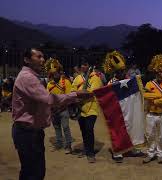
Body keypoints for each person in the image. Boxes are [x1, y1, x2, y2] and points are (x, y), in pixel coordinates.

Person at [12, 48, 92, 180]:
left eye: (43, 57)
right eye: (38, 57)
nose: (43, 60)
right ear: (26, 60)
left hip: (30, 131)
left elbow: (40, 101)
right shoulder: (28, 78)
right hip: (28, 133)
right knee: (34, 173)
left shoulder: (31, 77)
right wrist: (76, 95)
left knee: (30, 171)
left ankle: (65, 144)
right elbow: (49, 98)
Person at [104, 50, 145, 163]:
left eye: (123, 70)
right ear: (114, 71)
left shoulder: (129, 81)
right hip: (117, 111)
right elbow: (108, 100)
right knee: (118, 130)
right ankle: (117, 151)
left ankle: (131, 149)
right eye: (120, 71)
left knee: (131, 127)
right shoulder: (111, 83)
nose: (122, 72)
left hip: (128, 110)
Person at [142, 54, 162, 164]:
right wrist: (159, 95)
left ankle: (160, 154)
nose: (161, 74)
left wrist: (155, 100)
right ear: (155, 73)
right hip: (150, 114)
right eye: (158, 72)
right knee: (149, 135)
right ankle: (150, 153)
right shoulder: (149, 83)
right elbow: (145, 95)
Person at [72, 60, 103, 163]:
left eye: (85, 64)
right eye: (82, 65)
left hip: (92, 108)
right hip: (80, 108)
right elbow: (72, 90)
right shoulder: (78, 78)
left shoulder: (95, 77)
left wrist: (78, 93)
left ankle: (90, 153)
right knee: (84, 131)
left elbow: (92, 92)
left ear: (89, 66)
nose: (83, 67)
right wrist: (78, 94)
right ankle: (86, 149)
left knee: (89, 130)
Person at [45, 58, 73, 154]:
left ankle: (68, 145)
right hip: (53, 110)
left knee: (65, 127)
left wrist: (61, 106)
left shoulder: (66, 82)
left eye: (56, 72)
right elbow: (47, 97)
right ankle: (59, 144)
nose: (55, 74)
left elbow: (69, 97)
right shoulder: (49, 84)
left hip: (63, 109)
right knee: (57, 127)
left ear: (59, 72)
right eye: (53, 73)